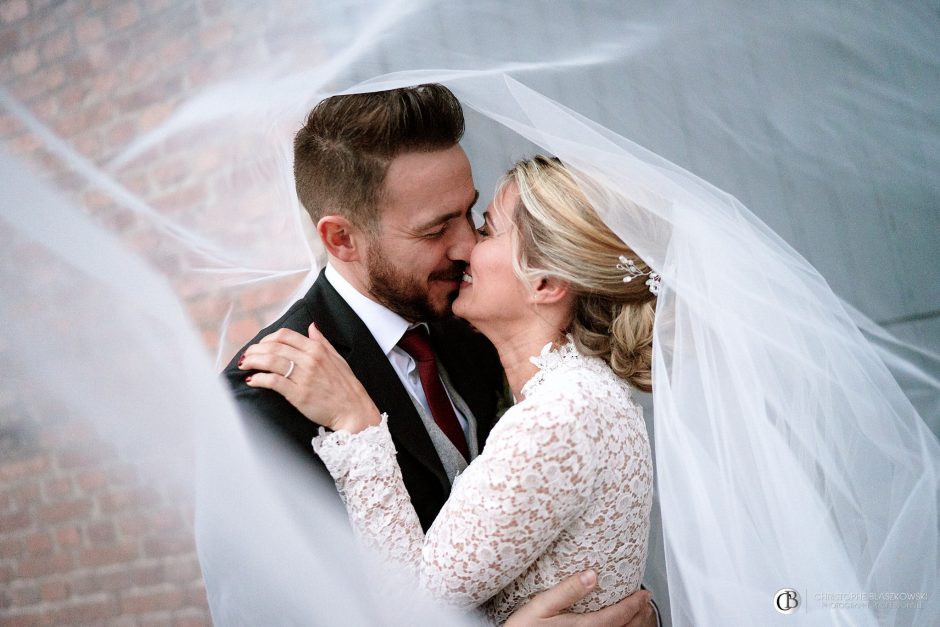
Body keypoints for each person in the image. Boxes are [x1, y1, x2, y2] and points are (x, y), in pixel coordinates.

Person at [223, 85, 657, 626]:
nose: (466, 245)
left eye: (472, 216)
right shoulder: (258, 407)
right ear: (341, 239)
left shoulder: (482, 326)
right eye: (435, 229)